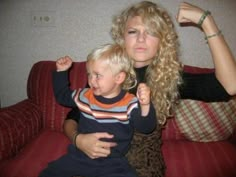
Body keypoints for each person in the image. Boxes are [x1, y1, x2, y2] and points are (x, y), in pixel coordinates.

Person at [61, 1, 236, 177]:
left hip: (142, 166)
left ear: (162, 41)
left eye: (151, 32)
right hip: (92, 161)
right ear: (122, 37)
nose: (141, 39)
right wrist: (79, 140)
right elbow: (72, 117)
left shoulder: (170, 78)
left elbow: (230, 86)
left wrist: (207, 21)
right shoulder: (105, 71)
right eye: (133, 31)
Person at [39, 43, 157, 177]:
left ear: (119, 78)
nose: (91, 81)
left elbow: (146, 127)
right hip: (79, 157)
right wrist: (61, 72)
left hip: (114, 162)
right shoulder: (85, 96)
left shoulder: (129, 103)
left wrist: (146, 105)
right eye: (89, 74)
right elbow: (62, 97)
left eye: (97, 75)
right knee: (49, 173)